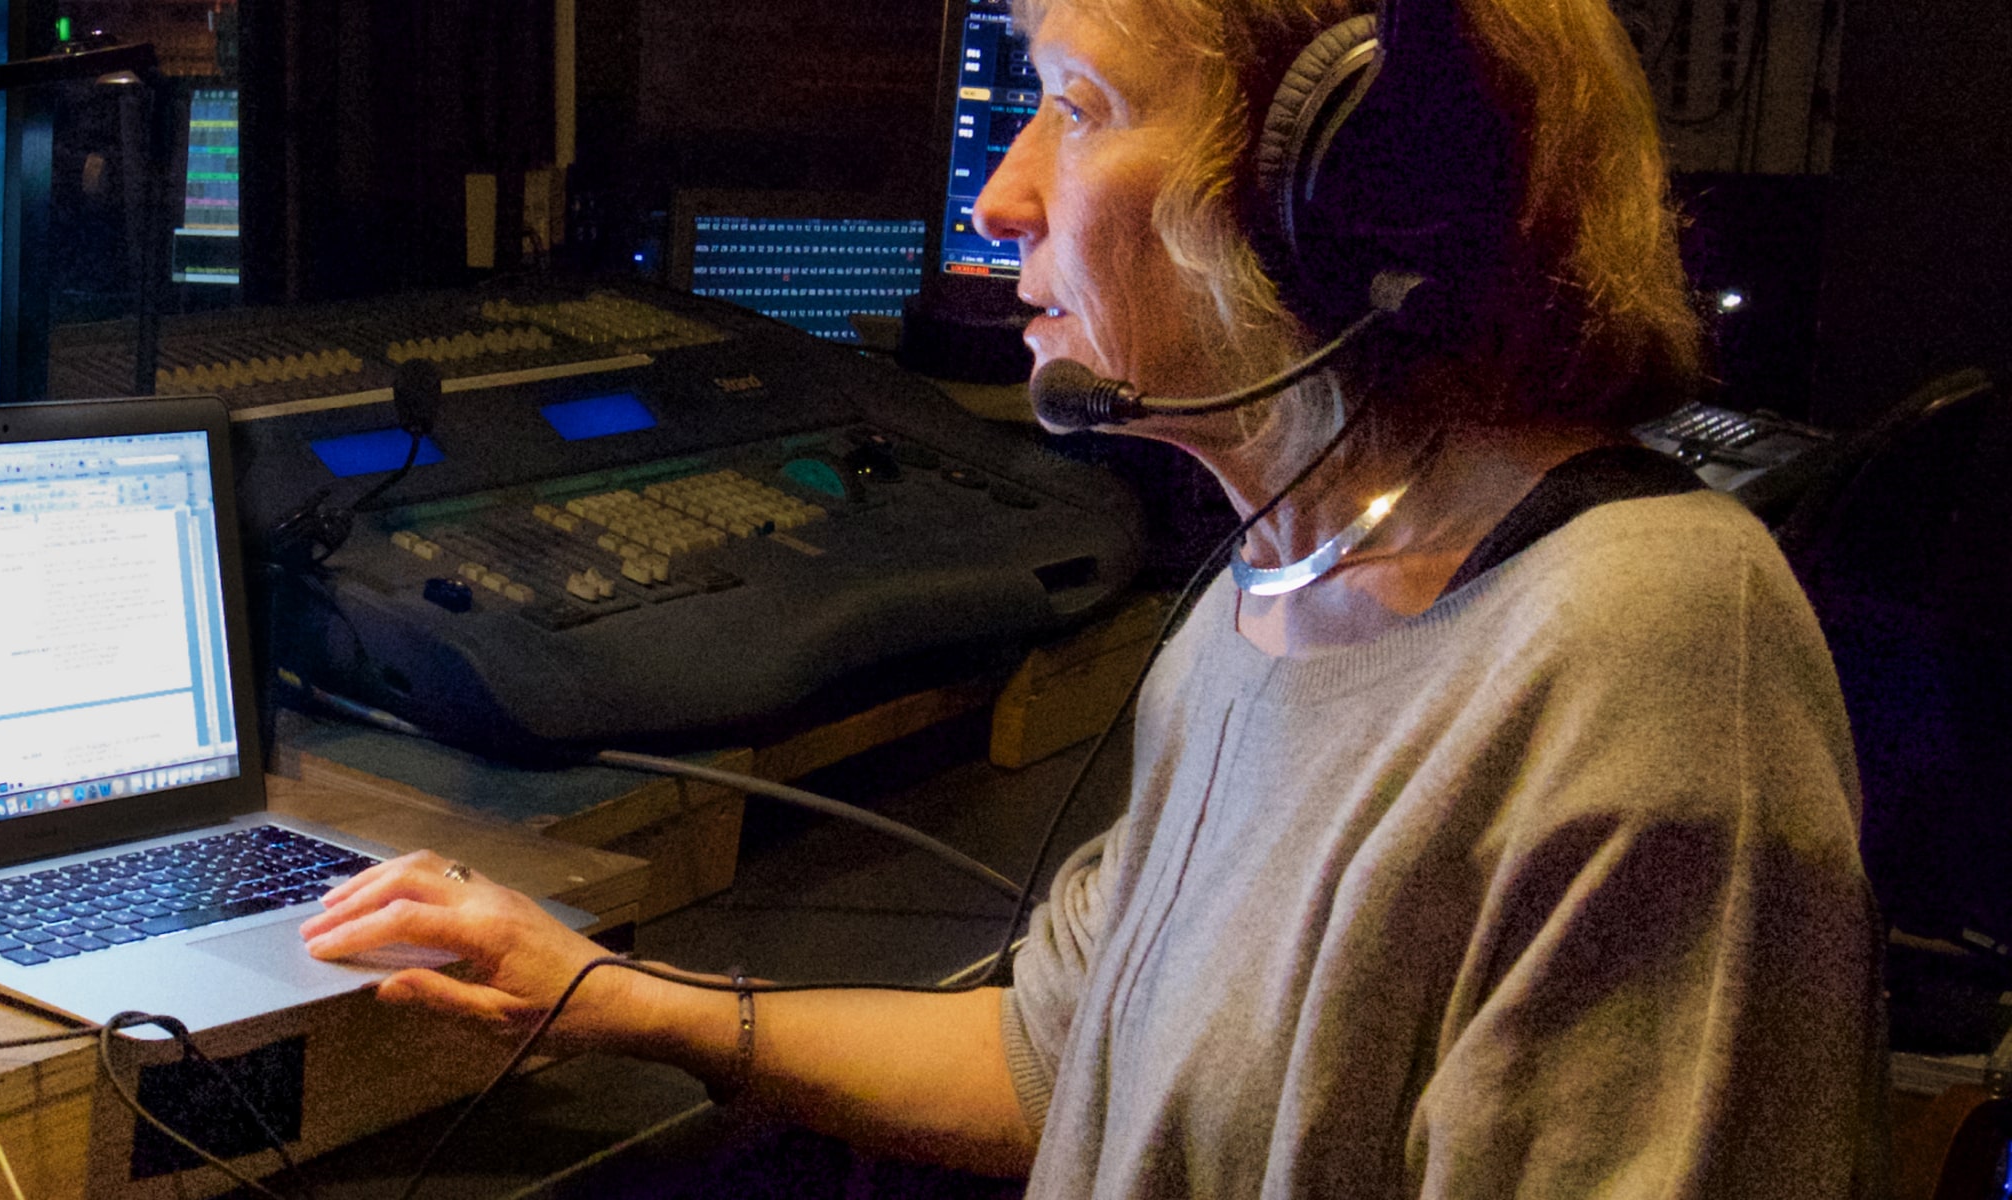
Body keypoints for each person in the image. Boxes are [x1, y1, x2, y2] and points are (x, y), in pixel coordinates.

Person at [297, 0, 1879, 1193]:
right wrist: (626, 1000)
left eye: (1077, 106)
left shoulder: (1644, 654)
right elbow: (1060, 1060)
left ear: (1354, 190)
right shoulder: (1273, 579)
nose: (1002, 197)